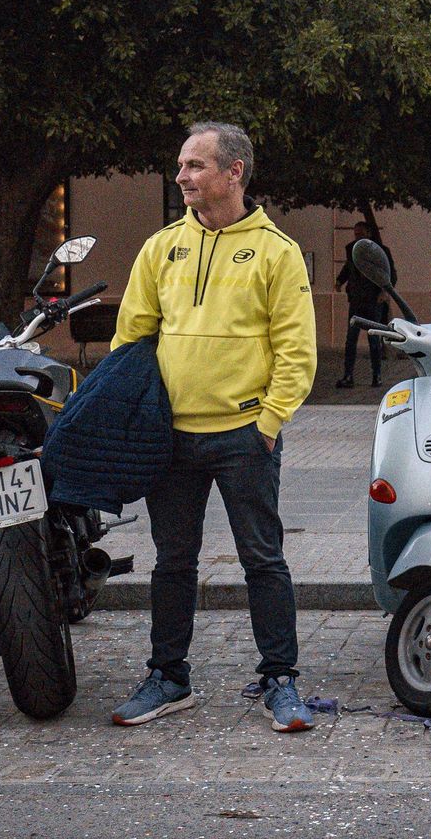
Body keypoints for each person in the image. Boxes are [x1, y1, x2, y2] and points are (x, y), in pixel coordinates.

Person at [108, 121, 318, 733]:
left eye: (195, 165)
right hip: (170, 438)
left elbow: (297, 351)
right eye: (181, 165)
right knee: (173, 561)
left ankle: (280, 679)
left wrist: (269, 423)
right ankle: (169, 678)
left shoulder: (276, 252)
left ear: (235, 172)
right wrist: (132, 415)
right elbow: (131, 340)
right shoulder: (161, 247)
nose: (182, 176)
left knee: (263, 560)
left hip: (244, 437)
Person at [334, 219, 396, 388]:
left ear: (368, 234)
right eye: (355, 234)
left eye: (360, 234)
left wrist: (384, 292)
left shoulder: (380, 251)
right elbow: (349, 268)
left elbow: (390, 273)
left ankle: (376, 375)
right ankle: (348, 375)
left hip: (373, 300)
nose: (357, 237)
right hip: (356, 299)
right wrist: (340, 280)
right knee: (351, 340)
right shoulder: (352, 250)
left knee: (374, 340)